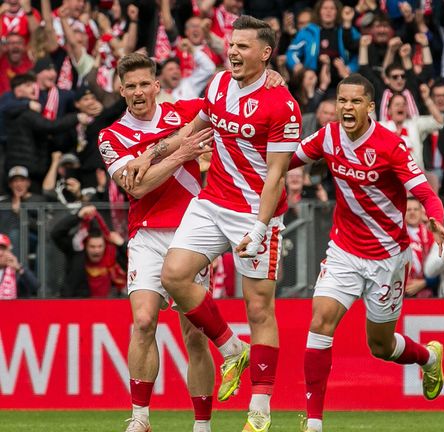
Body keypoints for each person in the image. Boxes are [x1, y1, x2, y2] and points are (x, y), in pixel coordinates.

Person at [120, 16, 299, 432]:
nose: (233, 51)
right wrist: (151, 154)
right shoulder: (218, 84)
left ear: (266, 54)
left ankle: (259, 407)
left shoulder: (282, 103)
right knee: (175, 275)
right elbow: (194, 127)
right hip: (212, 202)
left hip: (255, 212)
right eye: (232, 44)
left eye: (243, 46)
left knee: (258, 307)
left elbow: (277, 175)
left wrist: (259, 227)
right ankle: (232, 348)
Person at [291, 73, 444, 432]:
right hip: (344, 248)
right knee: (320, 322)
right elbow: (286, 159)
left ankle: (427, 357)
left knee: (379, 345)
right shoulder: (327, 136)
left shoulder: (390, 145)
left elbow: (425, 193)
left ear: (370, 106)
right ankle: (314, 423)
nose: (347, 107)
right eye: (342, 101)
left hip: (387, 258)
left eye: (355, 101)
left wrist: (436, 220)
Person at [97, 52, 217, 432]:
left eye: (143, 84)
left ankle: (201, 425)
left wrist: (270, 78)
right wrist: (181, 151)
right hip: (146, 232)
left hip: (191, 231)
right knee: (144, 321)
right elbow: (137, 185)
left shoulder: (184, 111)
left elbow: (228, 94)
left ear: (156, 86)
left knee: (194, 336)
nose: (137, 91)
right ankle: (141, 418)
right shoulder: (110, 136)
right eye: (129, 86)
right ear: (121, 90)